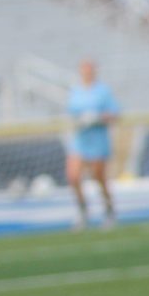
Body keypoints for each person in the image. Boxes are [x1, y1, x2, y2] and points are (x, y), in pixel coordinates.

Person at [65, 58, 119, 230]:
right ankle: (83, 210)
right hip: (81, 140)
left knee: (99, 178)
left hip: (98, 140)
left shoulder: (103, 91)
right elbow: (71, 114)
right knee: (73, 176)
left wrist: (98, 117)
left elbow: (115, 114)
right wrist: (81, 120)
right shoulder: (76, 91)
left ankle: (109, 210)